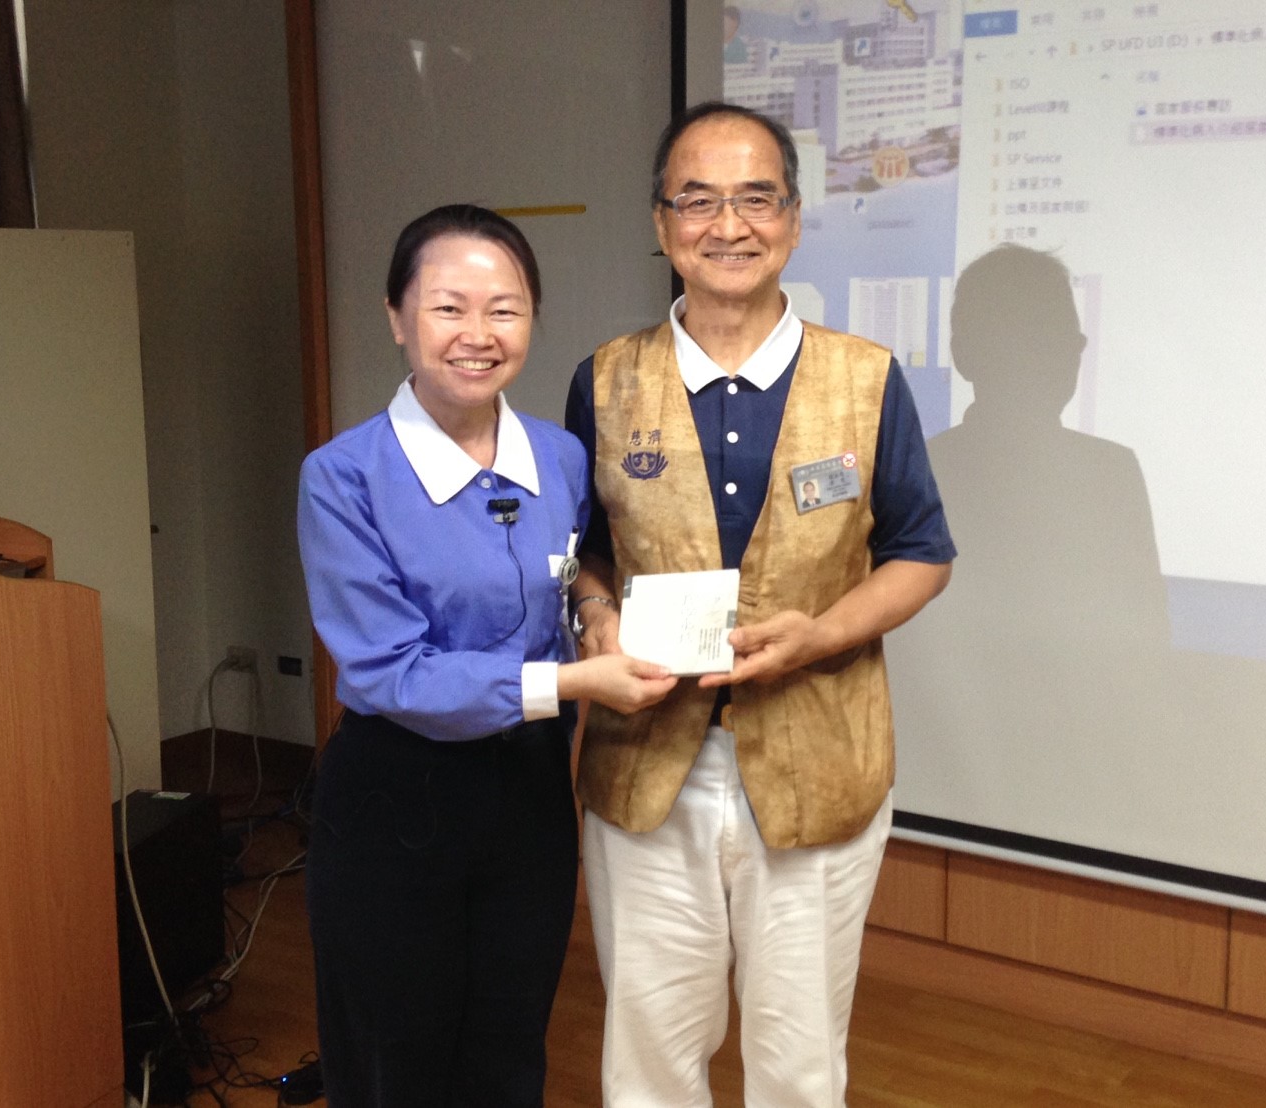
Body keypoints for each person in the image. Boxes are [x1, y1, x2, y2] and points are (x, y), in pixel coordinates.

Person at [564, 103, 955, 1107]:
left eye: (755, 199)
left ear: (792, 218)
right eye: (697, 201)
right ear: (661, 224)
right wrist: (596, 616)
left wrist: (820, 634)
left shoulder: (865, 380)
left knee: (798, 1062)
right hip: (646, 767)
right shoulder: (604, 380)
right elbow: (583, 553)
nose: (727, 226)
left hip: (819, 762)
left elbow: (920, 554)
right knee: (648, 1057)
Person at [297, 204, 676, 1108]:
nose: (479, 334)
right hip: (398, 798)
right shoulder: (343, 477)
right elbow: (391, 671)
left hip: (530, 796)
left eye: (504, 309)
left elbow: (571, 576)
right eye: (448, 308)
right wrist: (578, 679)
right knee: (396, 1063)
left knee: (509, 1052)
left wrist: (595, 611)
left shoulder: (560, 456)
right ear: (397, 318)